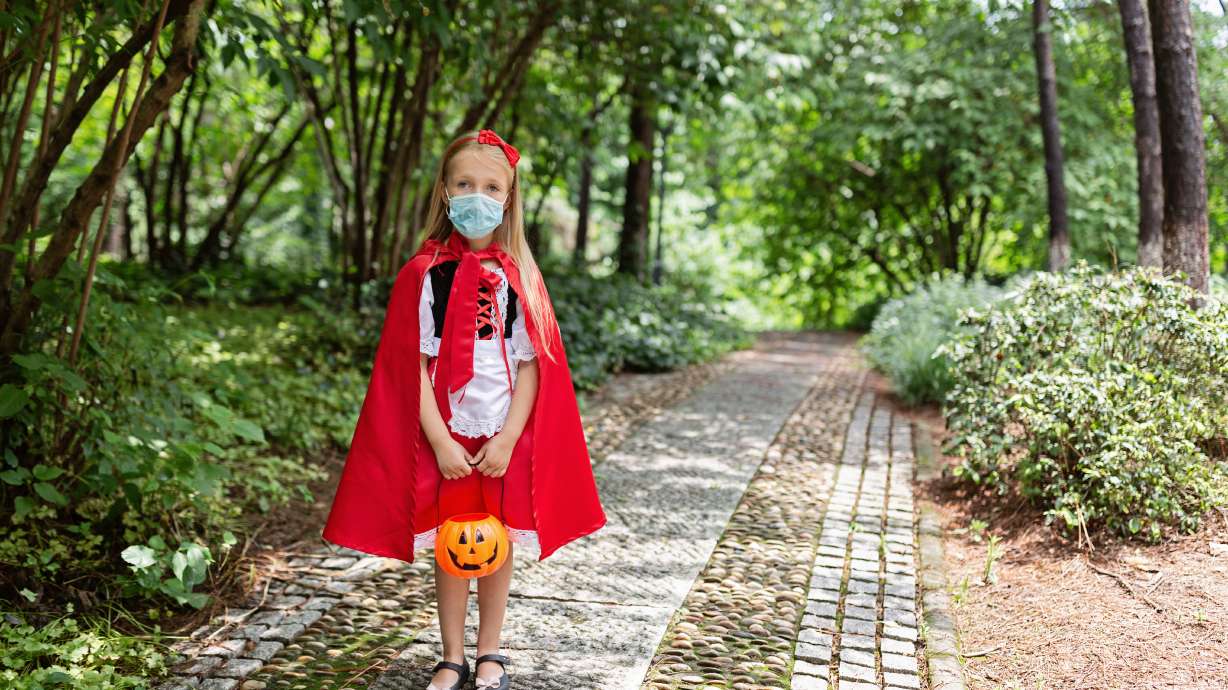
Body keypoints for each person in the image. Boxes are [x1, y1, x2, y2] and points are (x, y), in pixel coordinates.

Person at [321, 129, 607, 690]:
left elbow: (533, 365)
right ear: (446, 192)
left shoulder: (520, 278)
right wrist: (442, 441)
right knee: (454, 543)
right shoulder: (423, 275)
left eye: (491, 187)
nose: (478, 196)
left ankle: (490, 653)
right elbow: (412, 369)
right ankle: (451, 655)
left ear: (509, 198)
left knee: (495, 542)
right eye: (465, 184)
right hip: (445, 432)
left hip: (503, 431)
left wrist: (505, 439)